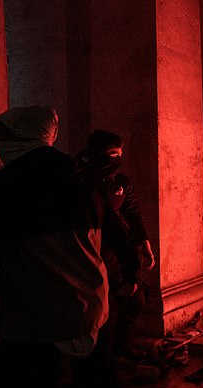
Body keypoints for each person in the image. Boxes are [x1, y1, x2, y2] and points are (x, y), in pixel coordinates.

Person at [0, 106, 139, 388]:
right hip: (90, 310)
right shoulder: (84, 180)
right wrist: (132, 274)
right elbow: (120, 234)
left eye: (2, 135)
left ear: (22, 137)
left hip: (35, 317)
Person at [75, 129, 154, 358]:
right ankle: (99, 356)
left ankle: (122, 344)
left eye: (120, 153)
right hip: (92, 251)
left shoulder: (121, 182)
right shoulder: (85, 185)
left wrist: (144, 242)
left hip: (116, 251)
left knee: (136, 297)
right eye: (112, 153)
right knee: (101, 306)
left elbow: (132, 213)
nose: (118, 158)